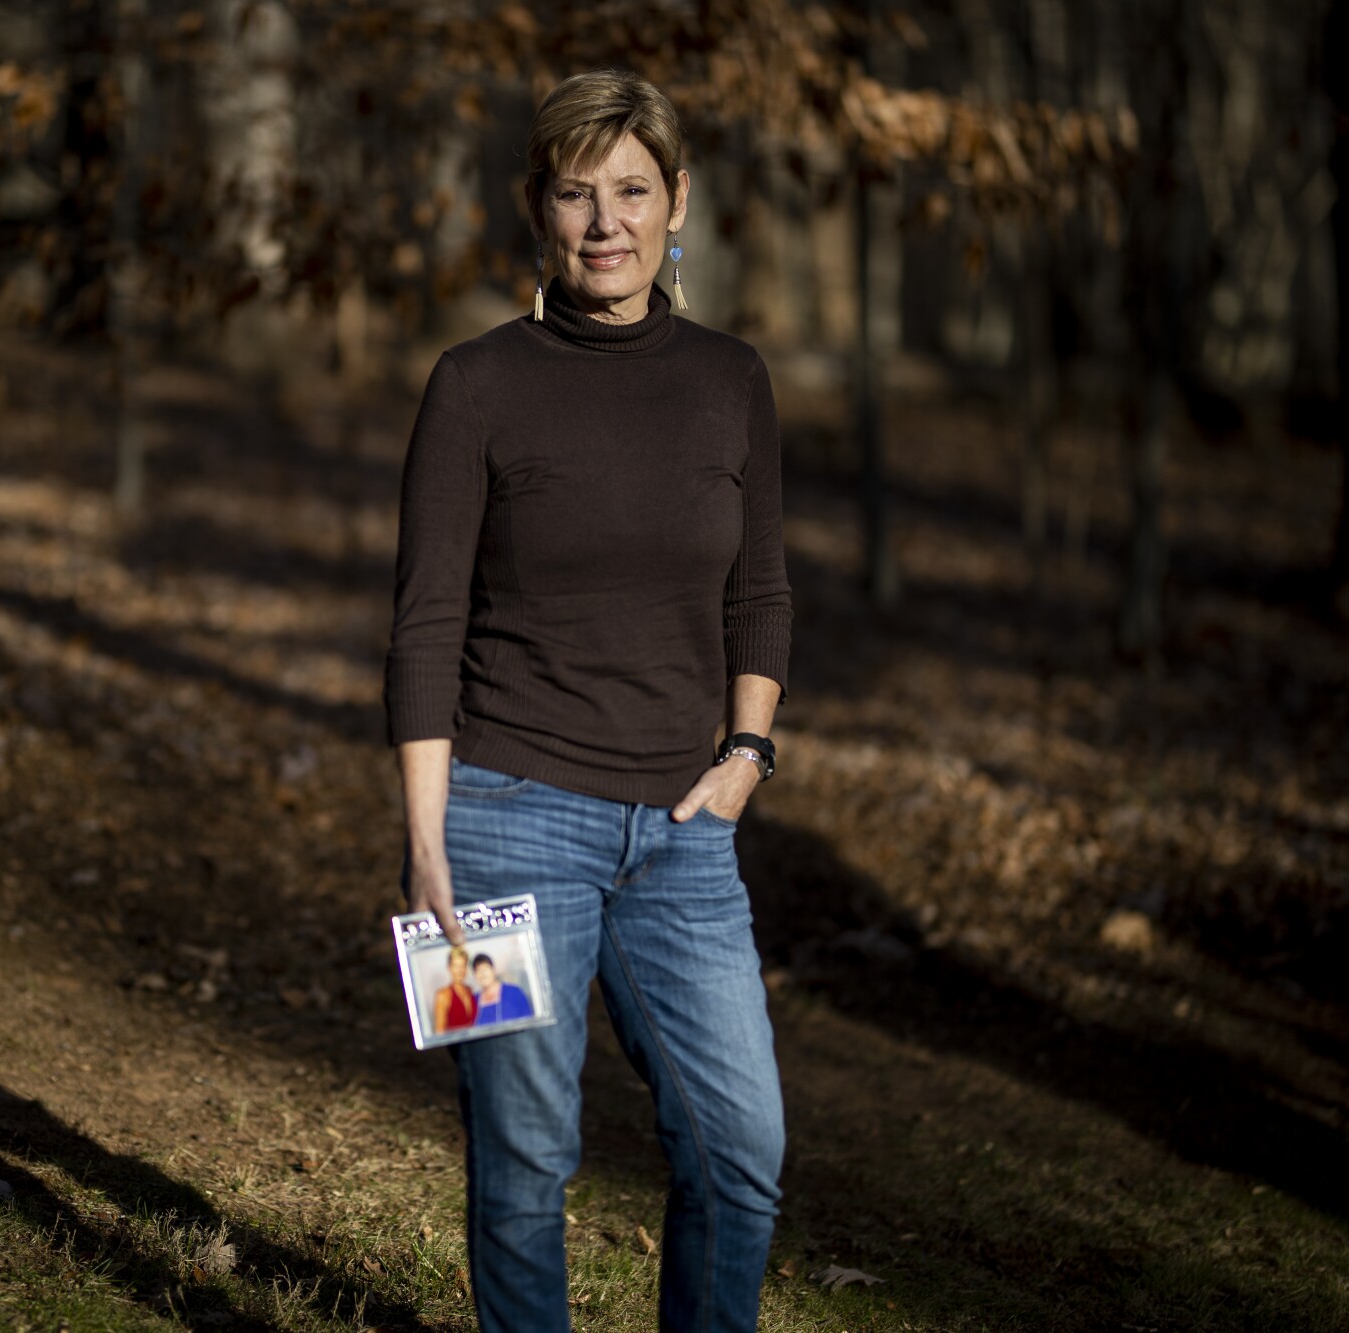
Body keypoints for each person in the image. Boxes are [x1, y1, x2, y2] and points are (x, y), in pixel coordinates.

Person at [384, 69, 790, 1333]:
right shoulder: (475, 384)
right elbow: (424, 624)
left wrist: (746, 754)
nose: (604, 221)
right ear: (537, 209)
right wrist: (425, 837)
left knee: (739, 1151)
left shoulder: (731, 379)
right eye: (576, 192)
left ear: (678, 206)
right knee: (521, 1164)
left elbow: (759, 592)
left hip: (684, 839)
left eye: (631, 190)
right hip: (508, 821)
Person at [468, 954, 535, 1027]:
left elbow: (529, 1024)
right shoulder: (472, 1001)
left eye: (485, 969)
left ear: (494, 970)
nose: (482, 974)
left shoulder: (514, 993)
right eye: (478, 970)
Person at [432, 944, 480, 1033]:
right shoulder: (443, 995)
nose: (460, 970)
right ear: (449, 968)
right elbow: (440, 1032)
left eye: (463, 965)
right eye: (456, 966)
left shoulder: (469, 990)